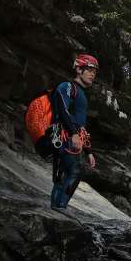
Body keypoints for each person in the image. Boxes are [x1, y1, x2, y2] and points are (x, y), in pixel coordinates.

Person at [49, 54, 99, 209]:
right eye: (89, 69)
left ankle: (57, 207)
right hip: (64, 136)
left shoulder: (81, 93)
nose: (92, 74)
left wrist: (89, 151)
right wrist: (73, 134)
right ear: (78, 69)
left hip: (71, 137)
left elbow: (81, 124)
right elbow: (62, 111)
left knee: (63, 174)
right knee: (75, 171)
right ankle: (60, 207)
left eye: (94, 71)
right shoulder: (68, 86)